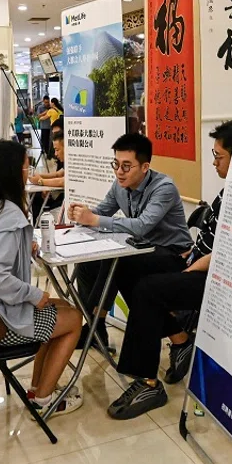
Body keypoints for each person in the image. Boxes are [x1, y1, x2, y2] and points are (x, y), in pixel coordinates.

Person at [108, 121, 232, 420]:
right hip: (196, 260)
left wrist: (192, 268)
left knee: (148, 291)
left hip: (218, 277)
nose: (214, 162)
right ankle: (180, 340)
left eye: (219, 157)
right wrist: (192, 255)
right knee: (125, 267)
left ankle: (148, 382)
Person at [0, 140, 83, 416]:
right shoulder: (8, 213)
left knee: (61, 308)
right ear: (11, 172)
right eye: (25, 166)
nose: (28, 171)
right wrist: (34, 294)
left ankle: (38, 387)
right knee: (74, 320)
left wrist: (23, 247)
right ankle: (44, 399)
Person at [67, 133, 192, 351]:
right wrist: (82, 214)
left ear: (145, 167)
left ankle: (94, 323)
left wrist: (94, 219)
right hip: (141, 251)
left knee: (118, 262)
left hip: (173, 254)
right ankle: (98, 328)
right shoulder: (120, 185)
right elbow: (102, 211)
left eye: (126, 166)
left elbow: (142, 225)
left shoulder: (164, 187)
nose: (119, 171)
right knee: (88, 263)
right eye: (116, 164)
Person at [29, 132, 65, 218]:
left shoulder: (76, 162)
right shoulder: (67, 163)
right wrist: (36, 176)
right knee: (37, 197)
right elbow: (58, 174)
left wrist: (40, 181)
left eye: (57, 150)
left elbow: (62, 181)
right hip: (59, 196)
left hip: (63, 201)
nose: (55, 154)